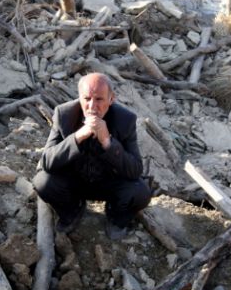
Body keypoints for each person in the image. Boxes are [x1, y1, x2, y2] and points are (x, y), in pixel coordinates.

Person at [32, 73, 152, 239]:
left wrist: (108, 142)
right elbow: (47, 161)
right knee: (43, 182)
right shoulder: (64, 115)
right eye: (86, 98)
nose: (92, 106)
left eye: (99, 99)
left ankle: (115, 217)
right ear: (79, 98)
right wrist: (77, 137)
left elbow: (135, 170)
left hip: (108, 183)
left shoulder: (125, 120)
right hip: (74, 183)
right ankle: (72, 211)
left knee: (140, 192)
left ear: (111, 99)